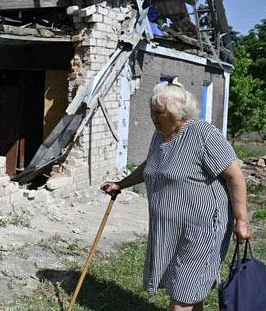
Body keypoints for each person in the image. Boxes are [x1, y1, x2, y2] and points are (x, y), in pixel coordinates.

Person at [101, 79, 251, 311]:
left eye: (158, 113)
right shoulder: (160, 135)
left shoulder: (204, 134)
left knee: (182, 296)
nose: (153, 118)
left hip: (201, 228)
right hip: (171, 230)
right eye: (151, 112)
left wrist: (241, 220)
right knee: (188, 290)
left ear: (176, 112)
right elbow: (151, 165)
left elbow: (235, 177)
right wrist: (121, 184)